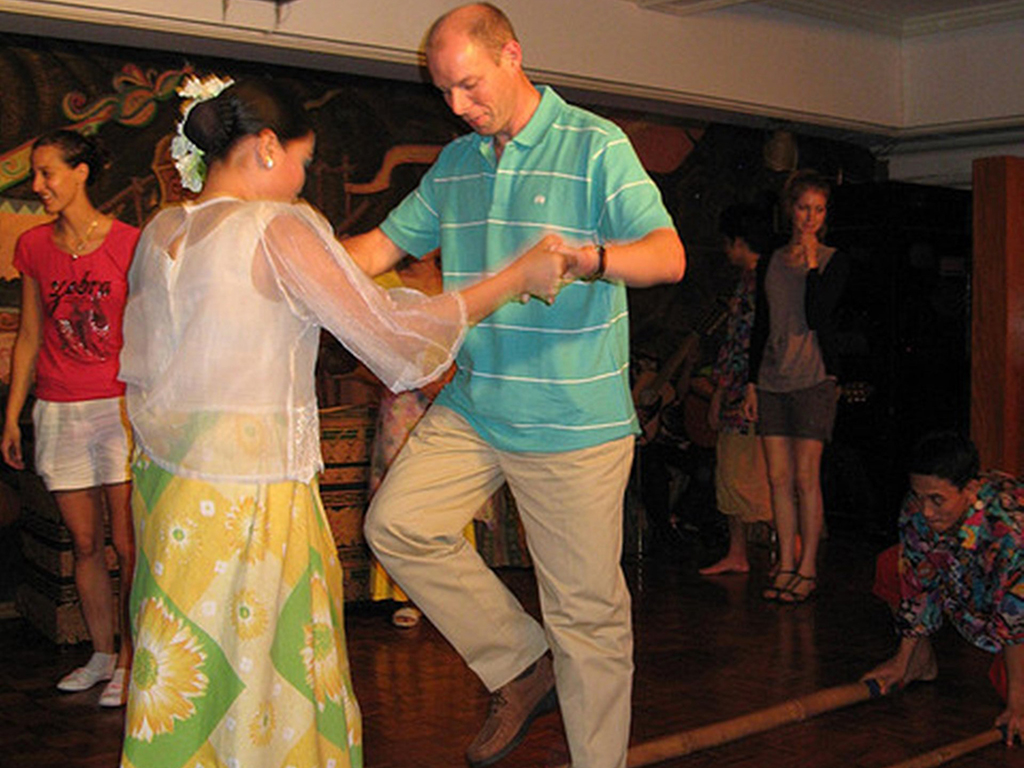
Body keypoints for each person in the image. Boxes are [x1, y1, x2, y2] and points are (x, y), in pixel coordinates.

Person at [117, 75, 568, 768]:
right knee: (263, 688)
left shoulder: (162, 230)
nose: (304, 177)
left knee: (191, 683)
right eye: (303, 159)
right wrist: (516, 277)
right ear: (267, 147)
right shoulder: (276, 226)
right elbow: (393, 336)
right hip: (252, 502)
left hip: (170, 496)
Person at [348, 6, 686, 768]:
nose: (458, 106)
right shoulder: (457, 164)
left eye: (469, 85)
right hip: (478, 401)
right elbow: (377, 248)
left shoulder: (594, 143)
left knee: (585, 617)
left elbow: (668, 256)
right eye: (445, 92)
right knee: (397, 525)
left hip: (572, 421)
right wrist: (287, 251)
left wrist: (589, 259)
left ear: (512, 56)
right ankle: (524, 666)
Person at [2, 129, 138, 707]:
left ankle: (131, 660)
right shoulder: (34, 245)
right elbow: (30, 335)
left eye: (47, 172)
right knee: (83, 543)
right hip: (58, 407)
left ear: (81, 173)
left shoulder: (129, 243)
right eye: (34, 174)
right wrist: (13, 416)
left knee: (127, 545)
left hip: (117, 406)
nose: (38, 185)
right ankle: (101, 654)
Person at [863, 431, 1024, 746]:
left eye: (936, 500)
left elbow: (1017, 614)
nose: (925, 510)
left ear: (970, 490)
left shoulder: (1011, 529)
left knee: (1011, 687)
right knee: (889, 564)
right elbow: (917, 579)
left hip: (1014, 604)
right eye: (919, 496)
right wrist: (903, 659)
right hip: (978, 588)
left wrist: (1018, 703)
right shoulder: (918, 509)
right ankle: (920, 662)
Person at [742, 169, 849, 603]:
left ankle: (807, 567)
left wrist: (811, 264)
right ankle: (785, 562)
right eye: (804, 208)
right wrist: (751, 382)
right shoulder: (771, 257)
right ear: (791, 209)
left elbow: (820, 314)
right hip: (772, 376)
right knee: (777, 477)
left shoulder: (833, 259)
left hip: (813, 377)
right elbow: (761, 322)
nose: (810, 217)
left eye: (819, 210)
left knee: (806, 478)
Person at [699, 204, 774, 576]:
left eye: (728, 243)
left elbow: (749, 343)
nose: (726, 250)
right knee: (730, 475)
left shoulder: (762, 281)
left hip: (748, 393)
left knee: (751, 477)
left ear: (739, 242)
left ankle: (787, 549)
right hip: (736, 390)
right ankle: (738, 552)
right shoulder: (749, 280)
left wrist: (737, 389)